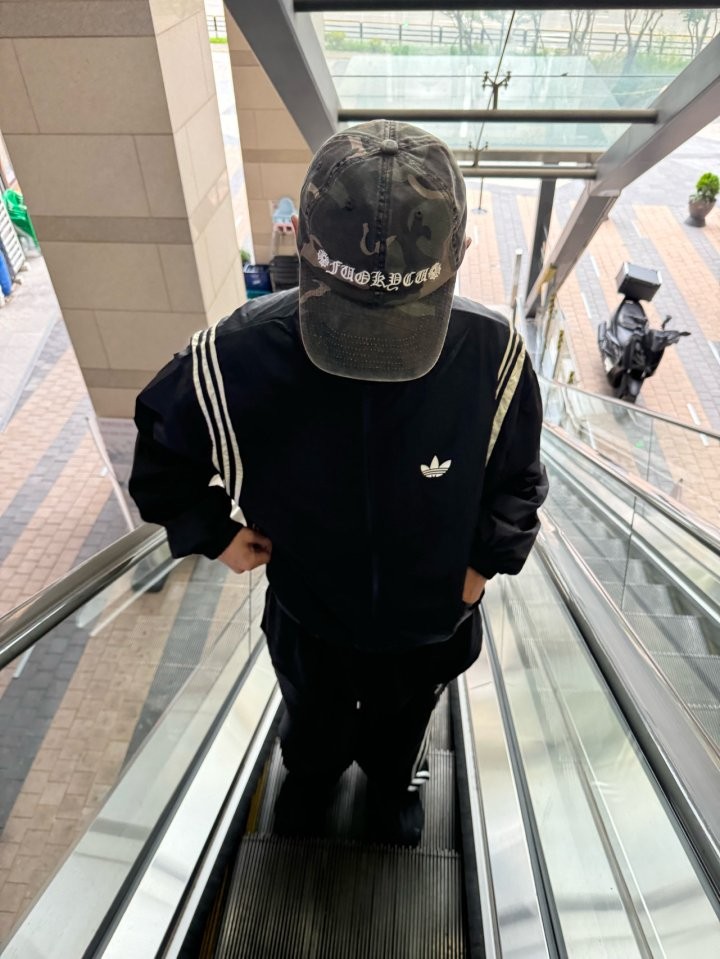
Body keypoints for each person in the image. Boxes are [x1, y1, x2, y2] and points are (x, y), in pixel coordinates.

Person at [129, 120, 548, 846]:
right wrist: (214, 533)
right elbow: (162, 449)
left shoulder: (493, 355)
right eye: (351, 320)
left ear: (459, 254)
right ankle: (312, 778)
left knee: (404, 726)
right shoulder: (237, 357)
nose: (373, 356)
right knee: (311, 722)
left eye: (401, 324)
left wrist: (480, 567)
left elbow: (519, 480)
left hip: (429, 623)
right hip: (309, 614)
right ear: (299, 247)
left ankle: (390, 787)